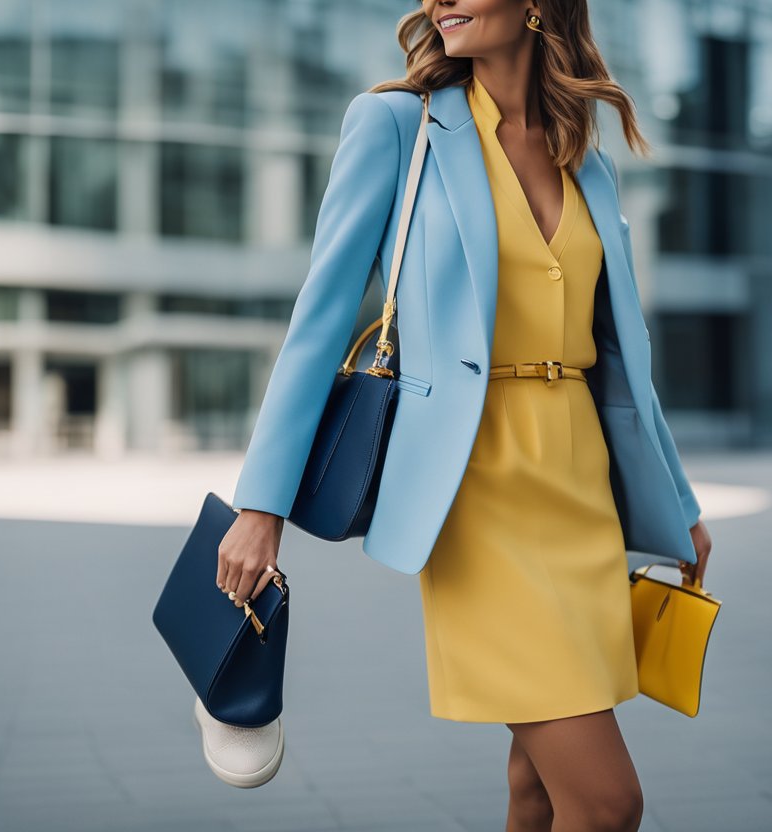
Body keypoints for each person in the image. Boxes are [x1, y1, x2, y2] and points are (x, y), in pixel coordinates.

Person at [216, 1, 714, 828]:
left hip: (580, 489)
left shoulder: (583, 150)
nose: (440, 1)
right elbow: (320, 321)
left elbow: (624, 356)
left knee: (537, 787)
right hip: (474, 494)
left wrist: (679, 501)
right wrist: (260, 506)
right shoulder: (395, 128)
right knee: (607, 801)